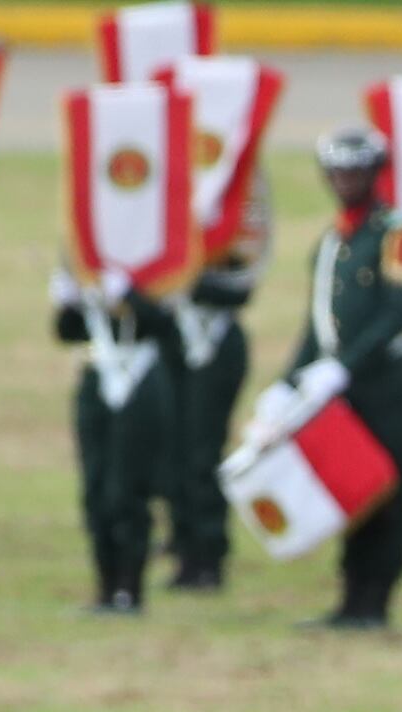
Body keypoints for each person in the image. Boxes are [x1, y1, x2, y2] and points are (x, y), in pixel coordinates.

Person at [289, 127, 402, 631]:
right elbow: (319, 321)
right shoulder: (333, 240)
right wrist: (291, 380)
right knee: (349, 489)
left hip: (387, 385)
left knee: (387, 489)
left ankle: (377, 599)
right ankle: (350, 597)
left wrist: (344, 366)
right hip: (339, 388)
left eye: (356, 171)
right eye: (338, 173)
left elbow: (397, 313)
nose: (346, 181)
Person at [49, 260, 175, 616]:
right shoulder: (89, 262)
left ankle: (130, 590)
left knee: (128, 489)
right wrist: (70, 302)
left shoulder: (162, 259)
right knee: (95, 488)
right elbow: (67, 331)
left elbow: (166, 326)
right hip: (97, 375)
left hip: (141, 375)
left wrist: (130, 295)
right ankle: (105, 587)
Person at [164, 188, 268, 590]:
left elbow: (244, 282)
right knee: (170, 453)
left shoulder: (236, 181)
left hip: (214, 339)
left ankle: (208, 554)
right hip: (170, 337)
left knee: (202, 452)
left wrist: (183, 278)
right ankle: (181, 544)